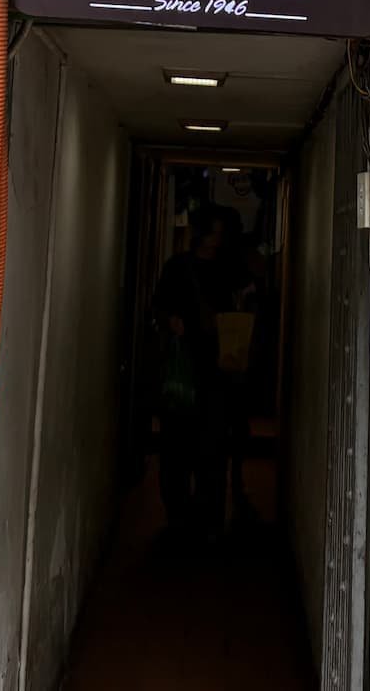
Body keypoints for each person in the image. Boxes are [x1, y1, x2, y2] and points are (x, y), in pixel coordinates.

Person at [152, 206, 236, 540]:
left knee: (210, 447)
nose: (217, 240)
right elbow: (159, 306)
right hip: (185, 370)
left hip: (216, 370)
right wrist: (172, 321)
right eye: (214, 233)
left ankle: (205, 516)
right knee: (177, 447)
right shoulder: (179, 268)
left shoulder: (226, 269)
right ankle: (180, 516)